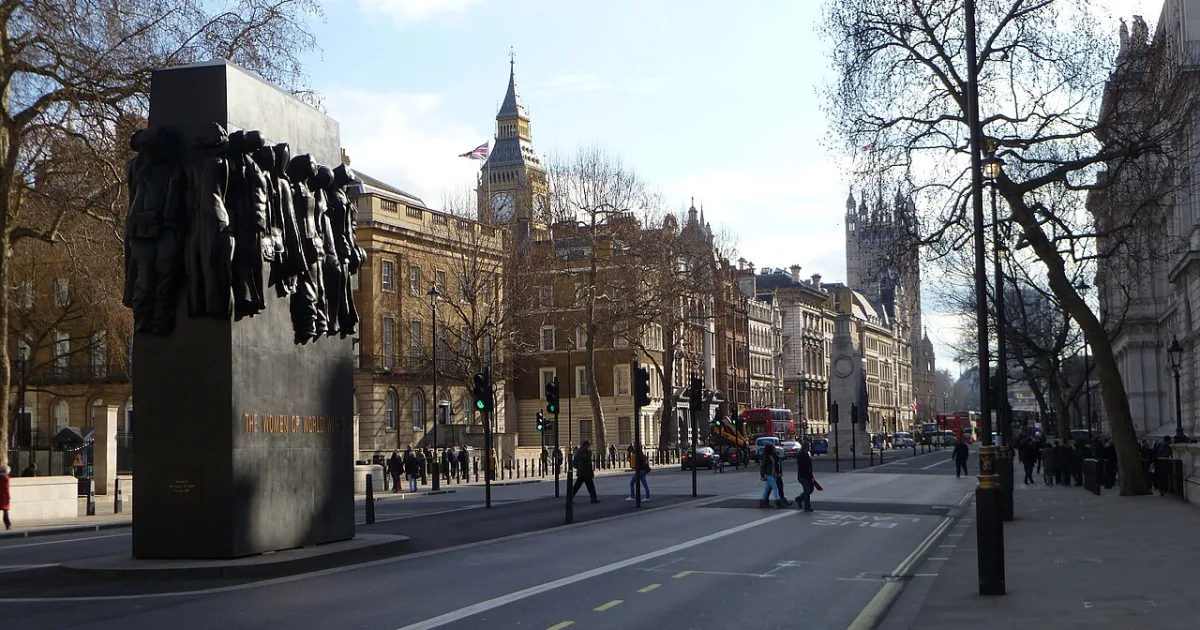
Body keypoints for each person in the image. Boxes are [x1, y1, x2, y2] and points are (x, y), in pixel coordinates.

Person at [759, 443, 789, 508]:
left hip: (771, 474)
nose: (774, 449)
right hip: (768, 474)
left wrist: (775, 473)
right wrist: (762, 475)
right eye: (773, 448)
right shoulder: (766, 456)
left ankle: (762, 502)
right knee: (775, 488)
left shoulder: (770, 456)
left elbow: (773, 466)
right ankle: (777, 502)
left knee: (767, 489)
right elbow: (762, 466)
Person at [795, 442, 815, 512]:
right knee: (807, 490)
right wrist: (809, 472)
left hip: (807, 475)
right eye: (809, 446)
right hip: (804, 475)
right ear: (806, 447)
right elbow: (804, 466)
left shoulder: (805, 453)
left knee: (810, 489)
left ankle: (799, 499)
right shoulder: (802, 454)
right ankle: (807, 506)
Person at [1, 465, 10, 530]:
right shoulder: (6, 478)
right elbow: (6, 489)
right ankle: (7, 524)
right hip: (4, 496)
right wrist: (8, 497)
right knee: (5, 511)